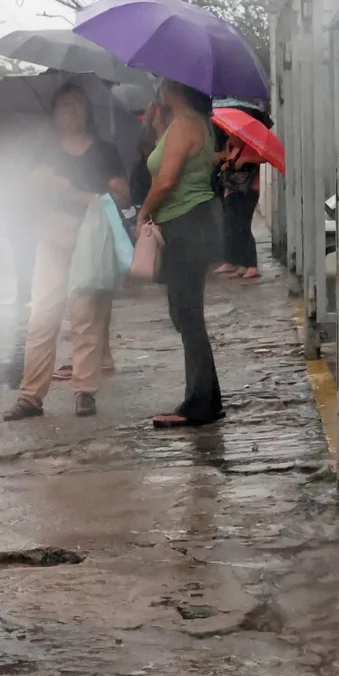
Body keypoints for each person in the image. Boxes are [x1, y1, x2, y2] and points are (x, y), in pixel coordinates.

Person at [6, 83, 131, 419]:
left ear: (87, 112)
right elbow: (26, 200)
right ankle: (31, 396)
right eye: (64, 105)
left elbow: (122, 196)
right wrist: (37, 184)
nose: (70, 111)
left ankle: (85, 391)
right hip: (52, 237)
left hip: (91, 239)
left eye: (77, 104)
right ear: (54, 113)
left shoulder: (104, 151)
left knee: (87, 317)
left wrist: (76, 192)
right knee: (42, 317)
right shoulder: (43, 152)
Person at [138, 79, 225, 428]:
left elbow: (166, 180)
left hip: (186, 225)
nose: (158, 87)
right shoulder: (190, 123)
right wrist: (157, 123)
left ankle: (199, 405)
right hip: (194, 223)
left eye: (162, 82)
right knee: (186, 314)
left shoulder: (186, 124)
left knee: (187, 316)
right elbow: (164, 163)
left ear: (175, 88)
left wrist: (144, 213)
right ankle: (207, 399)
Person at [214, 130, 263, 281]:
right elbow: (229, 165)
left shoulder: (251, 146)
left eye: (233, 135)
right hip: (231, 190)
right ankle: (237, 262)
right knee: (231, 226)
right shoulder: (232, 147)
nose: (230, 137)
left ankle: (251, 265)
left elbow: (263, 158)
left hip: (247, 191)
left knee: (243, 226)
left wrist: (247, 159)